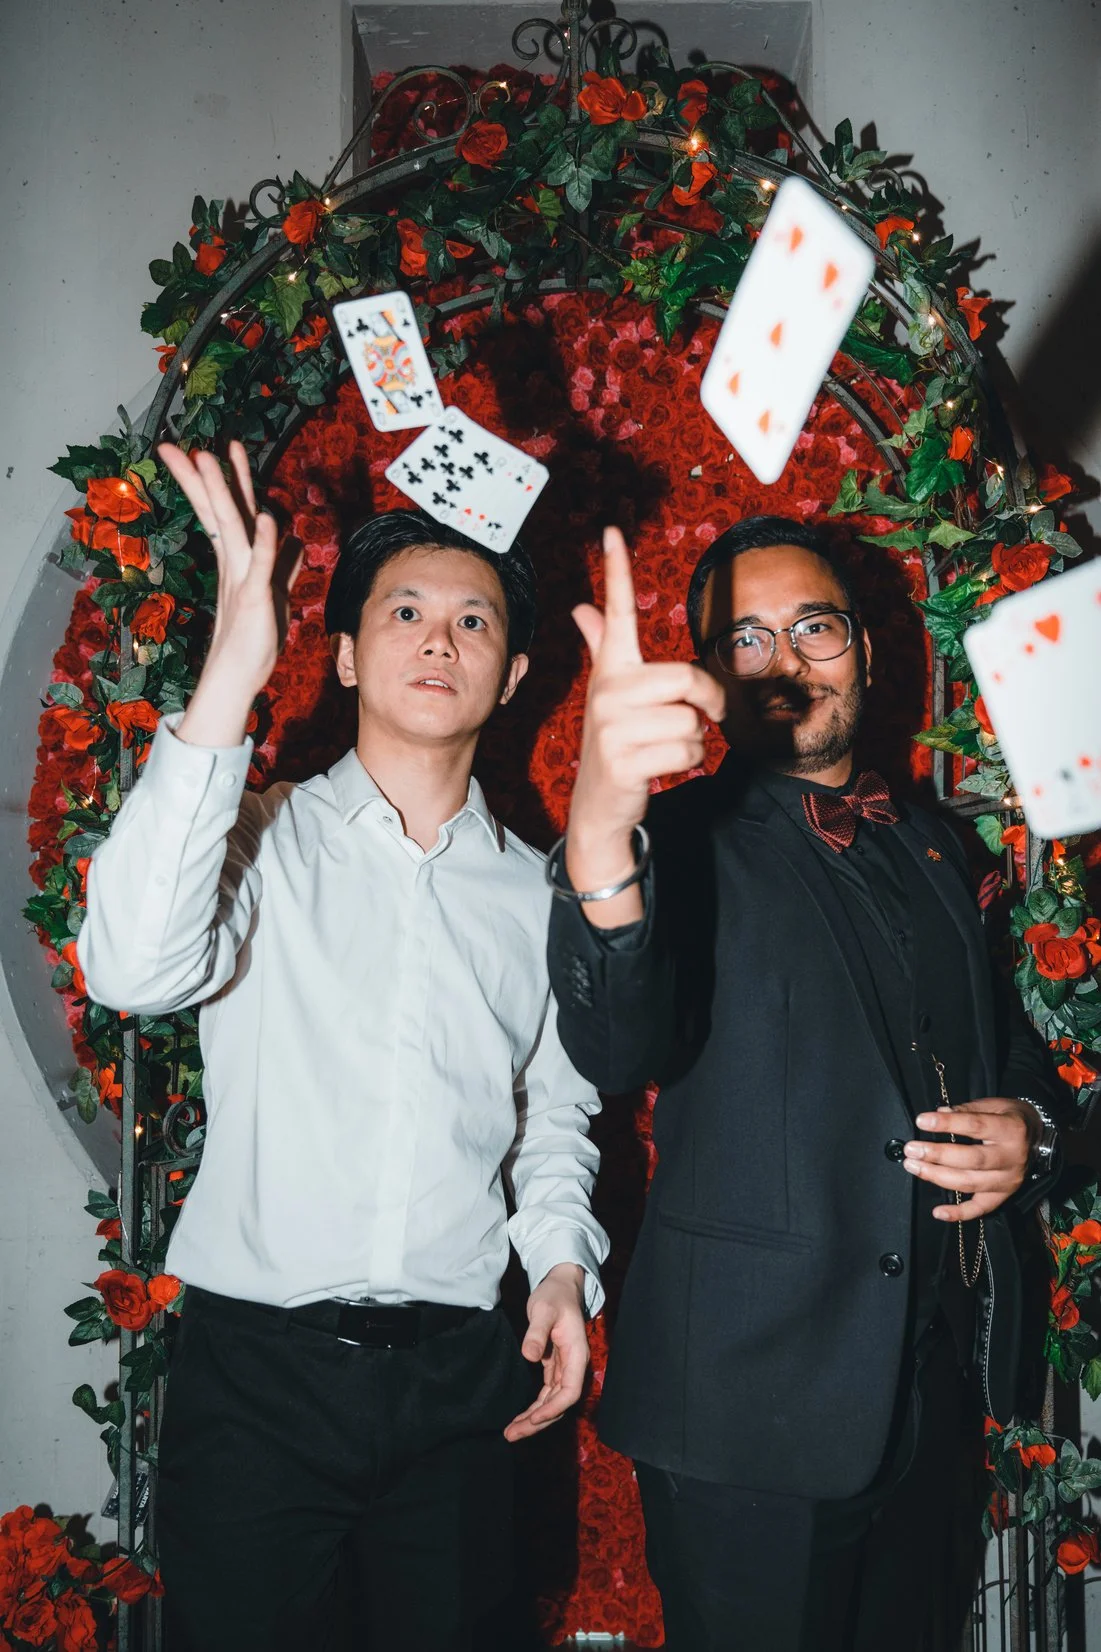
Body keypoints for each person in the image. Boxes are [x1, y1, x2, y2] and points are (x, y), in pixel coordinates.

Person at [77, 441, 609, 1652]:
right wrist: (229, 678)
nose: (439, 638)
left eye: (473, 619)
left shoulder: (544, 897)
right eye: (406, 611)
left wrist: (566, 1271)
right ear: (349, 653)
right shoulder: (256, 838)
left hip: (464, 1385)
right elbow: (132, 968)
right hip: (259, 1380)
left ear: (515, 671)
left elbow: (552, 1124)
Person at [546, 515, 1065, 1652]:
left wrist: (1029, 1122)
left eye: (815, 626)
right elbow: (613, 1038)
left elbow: (1012, 1046)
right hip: (745, 1415)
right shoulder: (670, 841)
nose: (787, 660)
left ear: (867, 651)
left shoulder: (943, 849)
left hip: (929, 1397)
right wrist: (598, 827)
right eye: (748, 637)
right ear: (710, 679)